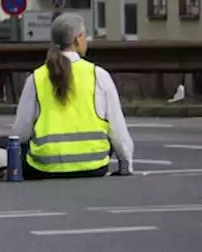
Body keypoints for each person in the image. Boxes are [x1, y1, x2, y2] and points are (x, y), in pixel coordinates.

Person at [8, 12, 134, 179]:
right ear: (78, 39)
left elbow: (21, 132)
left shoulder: (36, 78)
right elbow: (117, 129)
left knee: (6, 143)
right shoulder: (98, 75)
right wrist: (125, 166)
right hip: (94, 165)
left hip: (45, 166)